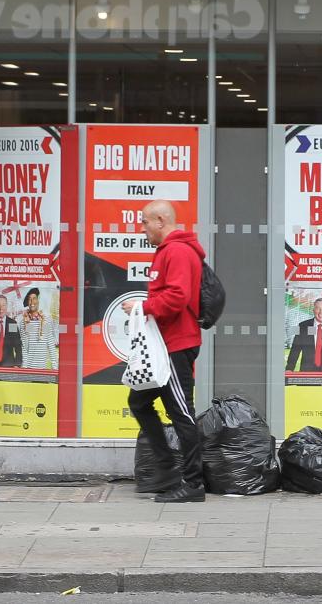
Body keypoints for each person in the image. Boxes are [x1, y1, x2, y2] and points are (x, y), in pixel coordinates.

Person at [120, 199, 206, 504]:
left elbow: (178, 297)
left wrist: (142, 307)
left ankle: (193, 483)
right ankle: (167, 467)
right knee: (139, 401)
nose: (142, 228)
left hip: (176, 345)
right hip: (164, 345)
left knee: (182, 413)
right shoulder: (167, 252)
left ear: (160, 220)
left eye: (144, 222)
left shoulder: (179, 252)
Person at [16, 287, 57, 370]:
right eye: (30, 299)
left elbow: (50, 344)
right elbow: (24, 347)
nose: (32, 302)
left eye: (34, 298)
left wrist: (55, 368)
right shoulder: (24, 322)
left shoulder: (46, 320)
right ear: (27, 302)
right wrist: (25, 367)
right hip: (28, 369)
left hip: (42, 369)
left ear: (38, 301)